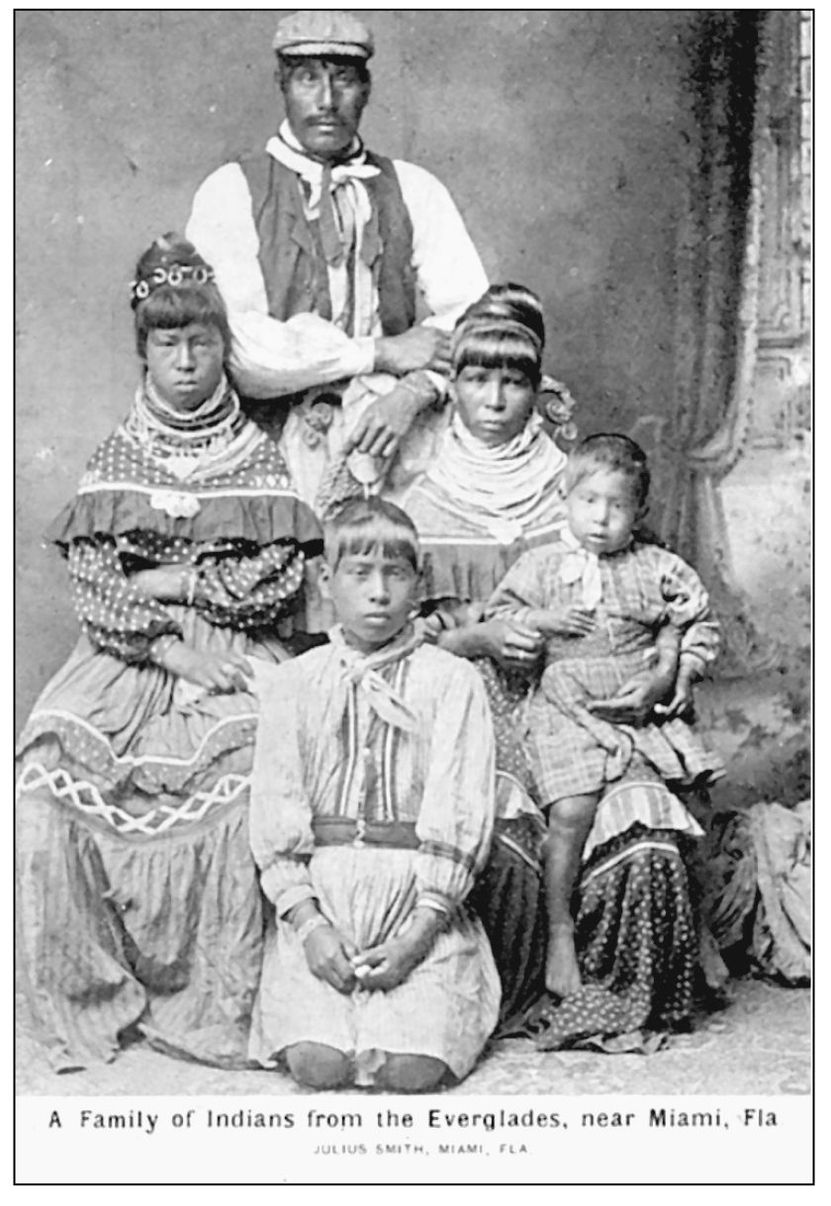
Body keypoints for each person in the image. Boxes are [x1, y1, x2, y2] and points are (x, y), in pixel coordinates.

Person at [15, 234, 322, 1071]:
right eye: (166, 343)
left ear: (226, 349)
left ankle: (215, 1000)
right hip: (125, 659)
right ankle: (90, 993)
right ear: (143, 351)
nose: (185, 361)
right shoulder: (115, 455)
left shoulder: (257, 459)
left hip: (236, 647)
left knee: (254, 777)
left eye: (202, 342)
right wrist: (171, 647)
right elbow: (96, 586)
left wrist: (168, 580)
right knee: (43, 783)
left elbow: (273, 581)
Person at [403, 296, 716, 1049]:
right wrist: (485, 634)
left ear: (538, 387)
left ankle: (660, 963)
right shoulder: (422, 491)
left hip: (601, 703)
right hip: (487, 708)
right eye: (475, 381)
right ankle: (536, 954)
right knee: (502, 832)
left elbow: (667, 609)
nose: (494, 400)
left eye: (512, 383)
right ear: (452, 385)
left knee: (654, 831)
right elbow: (408, 637)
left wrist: (672, 664)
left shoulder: (583, 482)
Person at [186, 9, 488, 512]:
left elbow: (476, 319)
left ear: (366, 88)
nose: (326, 101)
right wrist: (379, 353)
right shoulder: (232, 190)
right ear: (282, 84)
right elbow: (240, 349)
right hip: (268, 445)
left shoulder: (413, 188)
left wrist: (415, 390)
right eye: (308, 79)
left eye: (343, 79)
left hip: (393, 435)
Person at [248, 497, 500, 1091]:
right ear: (326, 581)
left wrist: (417, 935)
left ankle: (430, 985)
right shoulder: (294, 683)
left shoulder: (451, 680)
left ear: (420, 584)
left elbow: (461, 805)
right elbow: (276, 810)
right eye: (360, 574)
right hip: (325, 897)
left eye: (396, 574)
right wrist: (309, 925)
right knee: (318, 1063)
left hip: (419, 898)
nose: (378, 593)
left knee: (412, 1069)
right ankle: (316, 992)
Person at [487, 434, 724, 1000]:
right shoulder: (541, 564)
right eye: (589, 501)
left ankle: (701, 923)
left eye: (617, 506)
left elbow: (701, 623)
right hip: (566, 705)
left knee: (689, 802)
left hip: (638, 703)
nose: (601, 519)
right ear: (565, 499)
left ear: (638, 511)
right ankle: (560, 929)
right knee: (571, 812)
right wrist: (543, 620)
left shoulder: (658, 566)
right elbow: (499, 617)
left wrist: (679, 670)